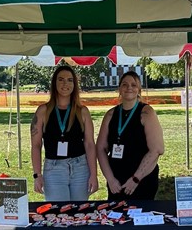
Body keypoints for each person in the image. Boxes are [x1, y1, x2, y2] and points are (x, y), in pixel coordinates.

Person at [31, 65, 98, 201]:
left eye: (69, 80)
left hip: (80, 168)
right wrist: (37, 175)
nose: (65, 84)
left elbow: (90, 144)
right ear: (54, 83)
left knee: (79, 211)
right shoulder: (43, 111)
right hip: (54, 169)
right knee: (58, 211)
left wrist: (93, 175)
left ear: (74, 84)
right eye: (61, 79)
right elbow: (36, 145)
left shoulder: (82, 111)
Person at [96, 71, 164, 200]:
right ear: (119, 89)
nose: (129, 88)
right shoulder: (110, 114)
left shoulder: (147, 113)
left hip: (142, 180)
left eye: (133, 85)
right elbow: (100, 148)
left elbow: (157, 149)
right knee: (116, 212)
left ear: (139, 89)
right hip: (116, 182)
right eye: (125, 84)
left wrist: (135, 179)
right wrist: (110, 179)